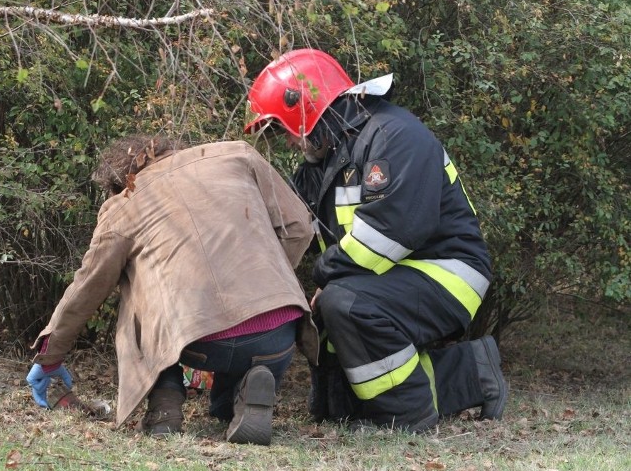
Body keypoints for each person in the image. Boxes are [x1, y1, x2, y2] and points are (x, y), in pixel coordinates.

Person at [244, 48, 507, 432]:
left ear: (307, 110)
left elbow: (389, 233)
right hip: (386, 277)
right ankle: (474, 373)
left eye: (284, 129)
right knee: (337, 404)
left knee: (343, 303)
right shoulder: (318, 169)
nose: (286, 142)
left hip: (449, 271)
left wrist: (324, 278)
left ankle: (409, 414)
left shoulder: (393, 136)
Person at [26, 135, 319, 445]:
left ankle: (164, 407)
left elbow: (88, 288)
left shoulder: (125, 203)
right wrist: (265, 280)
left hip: (199, 341)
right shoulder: (237, 154)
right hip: (279, 336)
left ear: (119, 182)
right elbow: (299, 227)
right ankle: (247, 390)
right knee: (227, 394)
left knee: (140, 294)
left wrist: (50, 357)